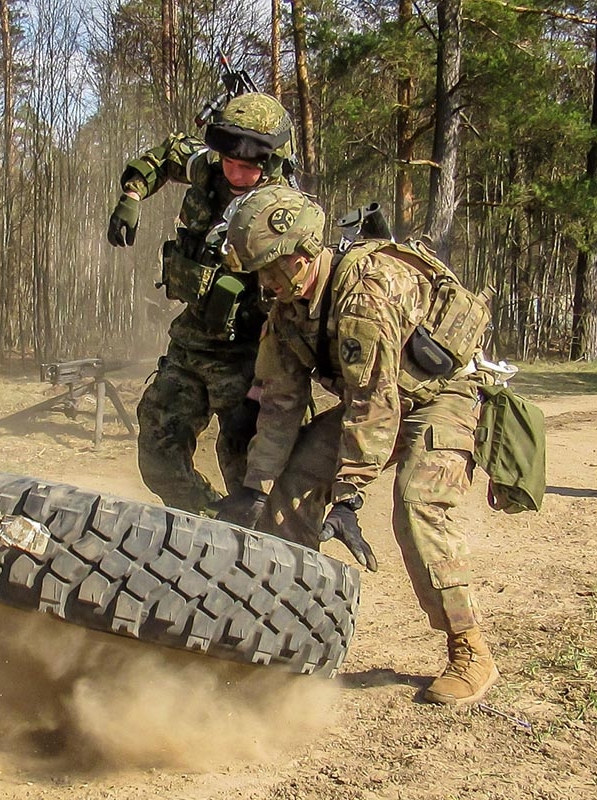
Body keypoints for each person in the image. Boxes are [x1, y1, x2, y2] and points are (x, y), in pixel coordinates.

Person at [213, 185, 499, 706]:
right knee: (292, 490)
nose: (267, 283)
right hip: (377, 399)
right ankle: (290, 639)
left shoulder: (364, 295)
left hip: (442, 397)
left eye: (273, 269)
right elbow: (279, 402)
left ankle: (469, 649)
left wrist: (348, 494)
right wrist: (255, 487)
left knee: (417, 504)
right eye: (259, 272)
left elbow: (376, 404)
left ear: (303, 254)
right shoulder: (286, 308)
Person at [106, 93, 296, 514]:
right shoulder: (209, 169)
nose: (234, 172)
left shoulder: (286, 215)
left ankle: (276, 561)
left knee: (250, 475)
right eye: (228, 161)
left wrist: (268, 380)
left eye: (247, 166)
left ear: (271, 162)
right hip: (194, 342)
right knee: (158, 452)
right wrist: (132, 196)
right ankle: (210, 527)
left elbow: (303, 302)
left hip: (251, 355)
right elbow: (169, 153)